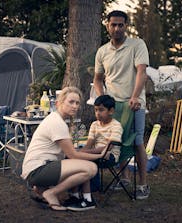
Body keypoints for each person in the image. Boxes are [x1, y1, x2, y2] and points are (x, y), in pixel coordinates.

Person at [93, 10, 150, 199]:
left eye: (121, 25)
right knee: (115, 141)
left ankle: (142, 184)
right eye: (113, 24)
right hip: (113, 106)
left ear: (126, 26)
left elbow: (142, 72)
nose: (117, 28)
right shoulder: (102, 51)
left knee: (137, 141)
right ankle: (124, 178)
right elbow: (98, 79)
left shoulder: (137, 45)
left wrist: (135, 97)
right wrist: (103, 100)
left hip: (133, 104)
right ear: (107, 26)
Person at [21, 87, 106, 211]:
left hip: (39, 167)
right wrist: (99, 156)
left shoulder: (58, 120)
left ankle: (45, 190)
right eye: (71, 102)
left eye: (77, 103)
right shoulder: (57, 123)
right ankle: (52, 192)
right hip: (38, 169)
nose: (75, 106)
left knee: (80, 165)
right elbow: (73, 155)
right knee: (91, 168)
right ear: (59, 103)